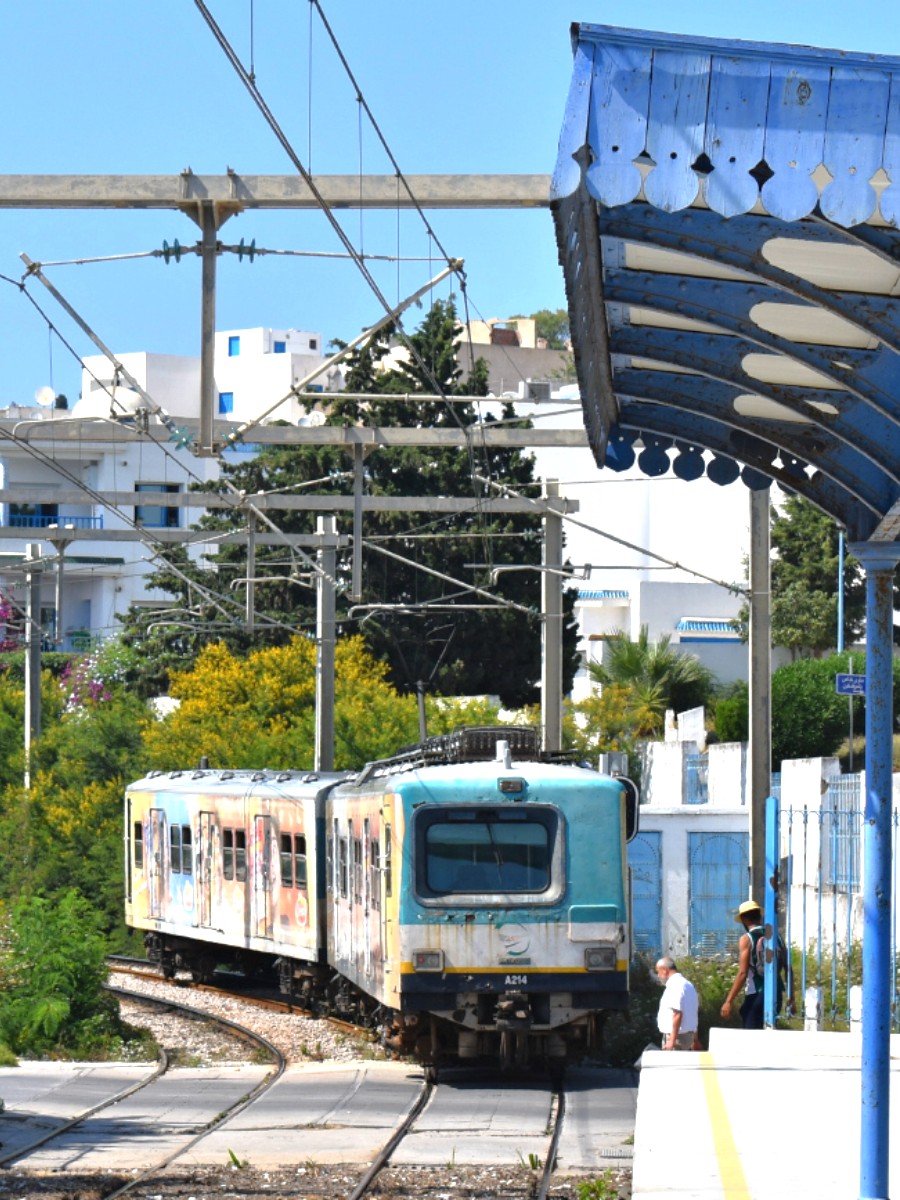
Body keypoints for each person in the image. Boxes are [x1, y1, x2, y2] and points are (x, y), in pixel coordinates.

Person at [720, 899, 792, 1028]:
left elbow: (743, 973)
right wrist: (791, 996)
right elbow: (788, 968)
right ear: (760, 916)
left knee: (751, 1033)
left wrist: (728, 1001)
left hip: (757, 993)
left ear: (744, 919)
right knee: (769, 1030)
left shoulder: (746, 939)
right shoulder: (776, 936)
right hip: (777, 992)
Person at [655, 956, 699, 1050]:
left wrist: (672, 1041)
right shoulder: (688, 984)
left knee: (671, 1064)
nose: (658, 976)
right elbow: (692, 1012)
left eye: (658, 972)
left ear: (664, 970)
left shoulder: (675, 986)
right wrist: (695, 1039)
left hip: (676, 1038)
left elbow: (677, 1014)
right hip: (686, 1036)